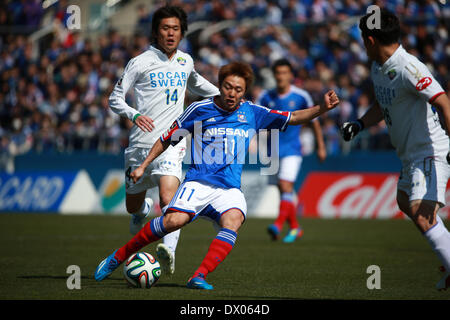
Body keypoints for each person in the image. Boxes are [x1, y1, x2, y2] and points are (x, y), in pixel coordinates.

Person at [94, 61, 340, 289]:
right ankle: (118, 257)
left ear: (245, 92)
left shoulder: (253, 112)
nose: (232, 93)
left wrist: (322, 108)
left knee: (233, 220)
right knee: (172, 222)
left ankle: (197, 276)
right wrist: (143, 165)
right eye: (228, 87)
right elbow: (167, 137)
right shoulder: (200, 109)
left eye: (238, 89)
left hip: (229, 188)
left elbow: (294, 117)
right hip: (198, 183)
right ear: (220, 86)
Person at [341, 9, 450, 291]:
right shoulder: (380, 66)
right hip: (409, 154)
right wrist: (360, 124)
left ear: (370, 40)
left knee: (421, 212)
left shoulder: (408, 67)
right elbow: (382, 104)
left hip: (429, 149)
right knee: (405, 200)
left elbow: (444, 103)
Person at [108, 5, 220, 275]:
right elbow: (115, 98)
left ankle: (169, 249)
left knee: (170, 196)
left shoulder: (186, 61)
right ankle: (141, 209)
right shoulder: (141, 61)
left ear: (182, 33)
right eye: (165, 28)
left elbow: (198, 84)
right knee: (132, 206)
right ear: (156, 32)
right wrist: (134, 115)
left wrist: (229, 99)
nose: (171, 34)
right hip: (140, 145)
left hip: (172, 142)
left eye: (176, 29)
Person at [257, 59, 327, 243]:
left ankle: (278, 225)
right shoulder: (266, 97)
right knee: (283, 190)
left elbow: (314, 121)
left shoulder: (301, 96)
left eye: (284, 72)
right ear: (274, 75)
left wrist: (321, 146)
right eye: (278, 73)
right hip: (272, 151)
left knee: (286, 186)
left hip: (293, 150)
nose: (281, 76)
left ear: (290, 75)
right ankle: (295, 227)